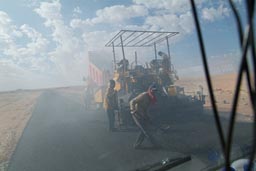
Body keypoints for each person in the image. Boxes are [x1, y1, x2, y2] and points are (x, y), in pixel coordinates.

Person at [129, 83, 160, 149]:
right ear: (150, 90)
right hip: (136, 114)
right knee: (145, 130)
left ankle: (136, 145)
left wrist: (147, 117)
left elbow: (145, 108)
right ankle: (155, 144)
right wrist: (132, 110)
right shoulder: (144, 95)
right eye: (153, 90)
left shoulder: (151, 98)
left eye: (155, 91)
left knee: (143, 130)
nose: (154, 92)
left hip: (142, 114)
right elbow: (132, 101)